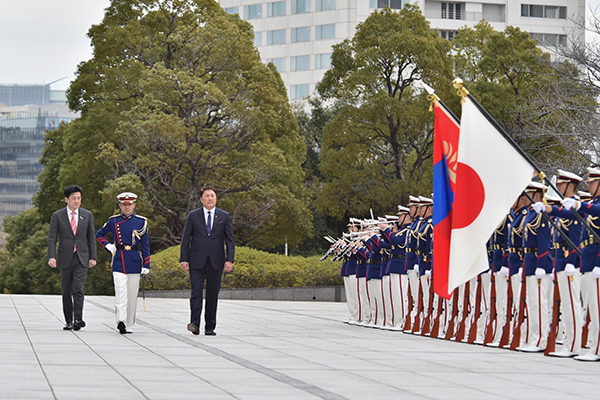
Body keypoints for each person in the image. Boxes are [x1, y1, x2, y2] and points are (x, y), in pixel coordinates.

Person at [180, 185, 235, 336]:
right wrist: (184, 258)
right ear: (201, 199)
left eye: (213, 195)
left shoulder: (224, 216)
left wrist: (229, 259)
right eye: (207, 196)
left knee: (212, 294)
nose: (210, 198)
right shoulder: (193, 215)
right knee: (196, 292)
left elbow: (230, 240)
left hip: (216, 261)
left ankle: (210, 326)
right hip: (196, 260)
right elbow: (186, 239)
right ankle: (195, 323)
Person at [96, 192, 150, 334]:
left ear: (134, 205)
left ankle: (129, 323)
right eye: (124, 205)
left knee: (132, 295)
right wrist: (108, 246)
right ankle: (121, 320)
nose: (127, 207)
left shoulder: (141, 222)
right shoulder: (114, 221)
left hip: (134, 260)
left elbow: (145, 245)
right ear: (120, 205)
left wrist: (146, 264)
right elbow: (99, 235)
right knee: (120, 292)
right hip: (119, 259)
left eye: (130, 204)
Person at [48, 185, 97, 330]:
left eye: (79, 198)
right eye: (74, 198)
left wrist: (93, 257)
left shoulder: (87, 215)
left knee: (78, 289)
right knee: (67, 290)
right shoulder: (58, 216)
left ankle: (78, 320)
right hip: (65, 257)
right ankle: (69, 320)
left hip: (82, 257)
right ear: (66, 199)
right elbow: (52, 238)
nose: (77, 201)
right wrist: (51, 256)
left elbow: (91, 238)